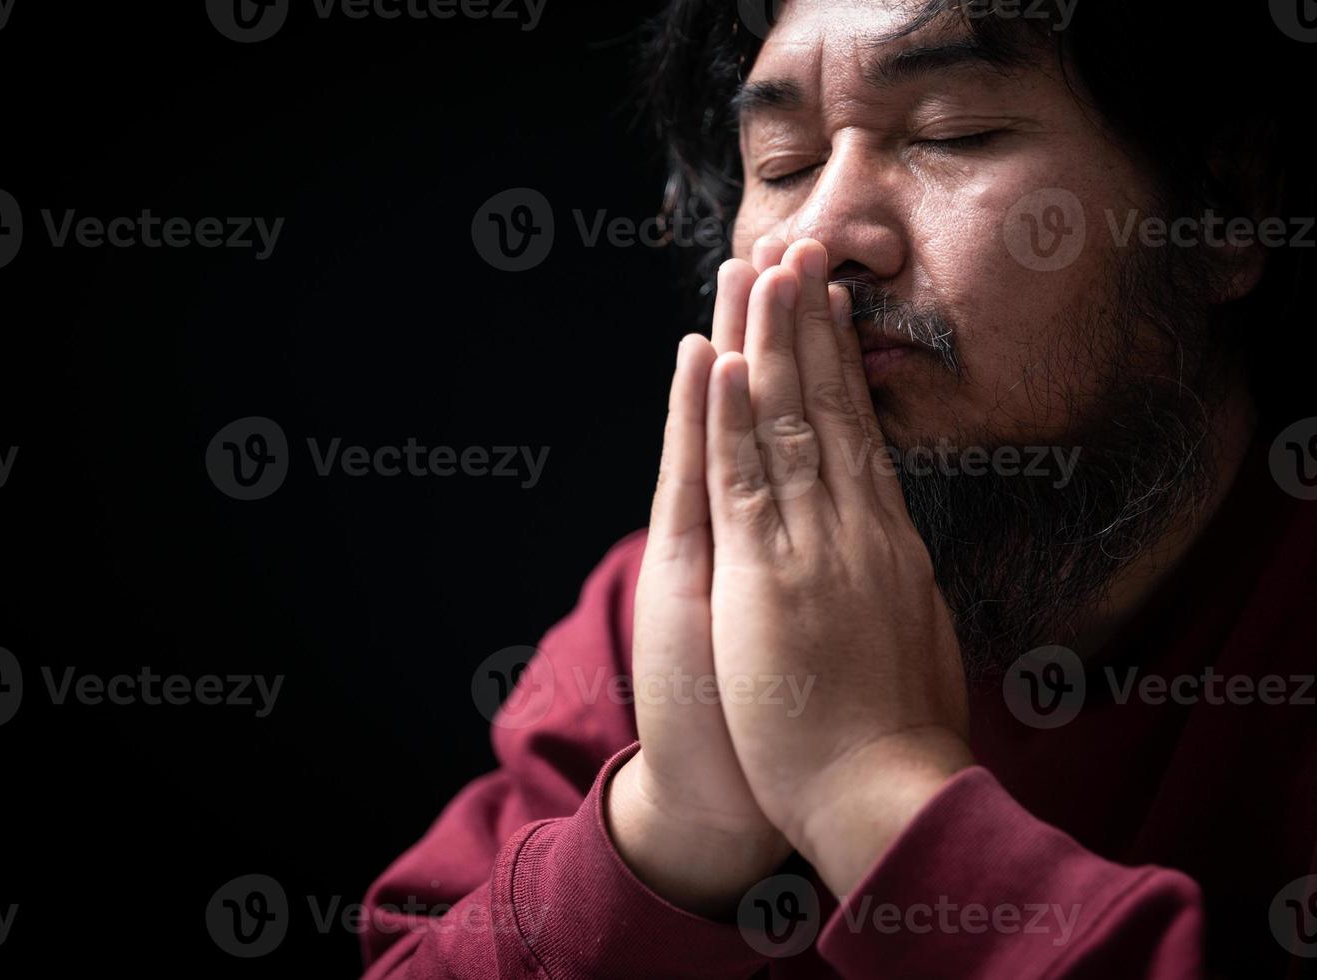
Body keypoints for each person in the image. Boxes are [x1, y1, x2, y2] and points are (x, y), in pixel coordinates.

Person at [363, 1, 1317, 975]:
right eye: (781, 162)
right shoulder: (683, 605)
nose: (819, 235)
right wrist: (668, 828)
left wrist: (872, 787)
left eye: (955, 134)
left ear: (1226, 209)